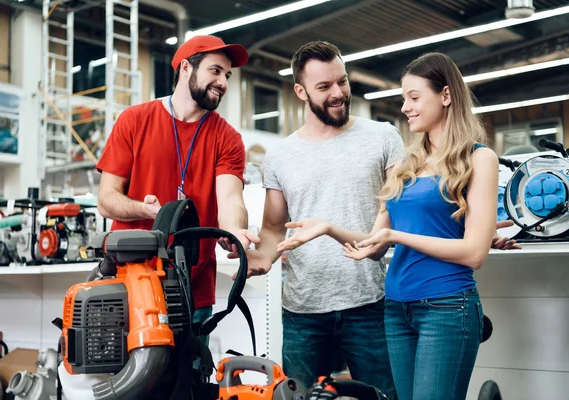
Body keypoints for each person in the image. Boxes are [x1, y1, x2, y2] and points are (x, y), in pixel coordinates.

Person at [277, 52, 502, 400]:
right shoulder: (408, 165)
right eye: (404, 99)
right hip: (396, 310)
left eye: (414, 97)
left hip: (446, 306)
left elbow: (474, 253)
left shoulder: (478, 158)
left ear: (445, 95)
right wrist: (327, 228)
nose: (406, 108)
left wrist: (397, 235)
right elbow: (373, 244)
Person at [237, 40, 401, 398]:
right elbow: (273, 227)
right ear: (300, 91)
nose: (338, 93)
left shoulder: (383, 137)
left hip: (369, 303)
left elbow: (400, 215)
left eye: (341, 81)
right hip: (303, 310)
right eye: (324, 87)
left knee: (385, 395)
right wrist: (262, 256)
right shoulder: (280, 156)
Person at [96, 35, 259, 328]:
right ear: (186, 68)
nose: (223, 81)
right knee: (127, 373)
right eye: (215, 70)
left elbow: (231, 198)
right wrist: (148, 211)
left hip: (191, 289)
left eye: (227, 74)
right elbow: (107, 200)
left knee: (190, 373)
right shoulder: (134, 120)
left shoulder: (228, 138)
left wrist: (235, 231)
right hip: (132, 281)